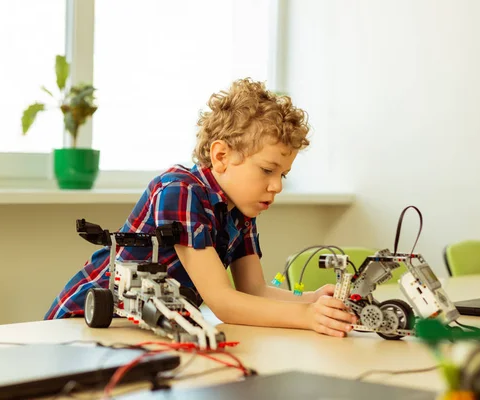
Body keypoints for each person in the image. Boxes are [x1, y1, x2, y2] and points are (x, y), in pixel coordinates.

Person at [45, 78, 357, 337]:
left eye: (283, 175)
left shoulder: (242, 211)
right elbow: (222, 302)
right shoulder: (180, 190)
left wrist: (309, 301)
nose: (277, 186)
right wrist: (305, 317)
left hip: (138, 332)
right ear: (221, 156)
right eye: (267, 170)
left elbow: (253, 290)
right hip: (85, 325)